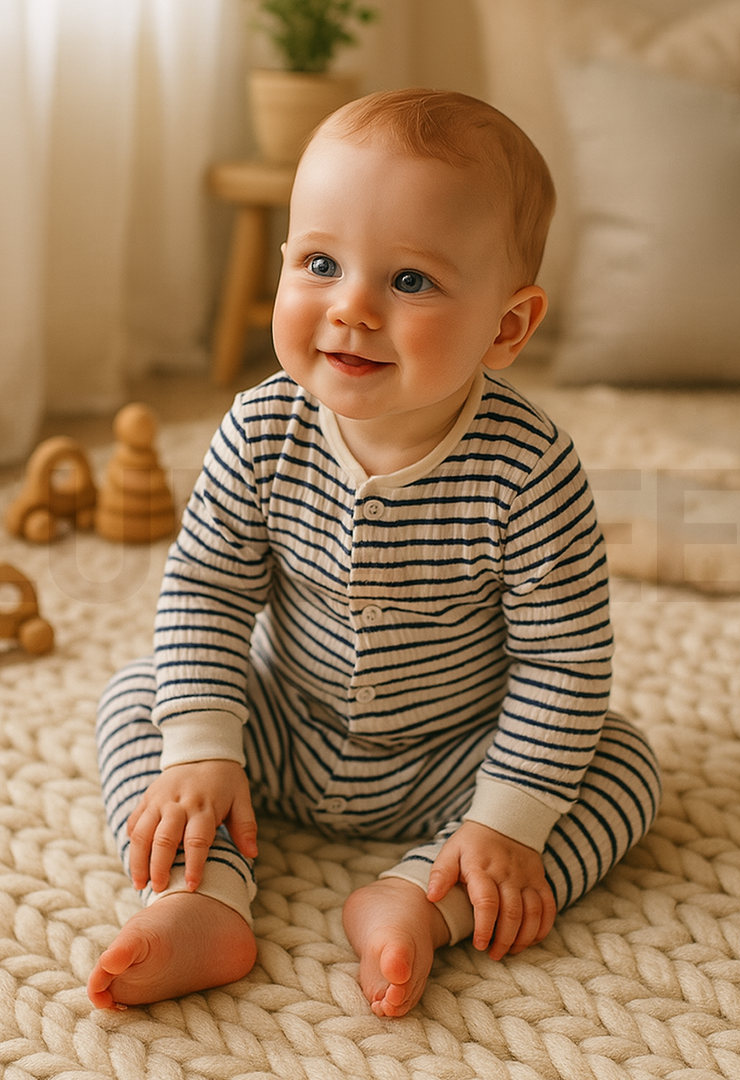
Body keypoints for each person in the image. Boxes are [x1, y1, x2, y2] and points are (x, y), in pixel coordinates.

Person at [86, 88, 661, 1018]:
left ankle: (422, 899)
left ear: (508, 327)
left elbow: (564, 660)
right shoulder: (261, 426)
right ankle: (202, 893)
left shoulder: (528, 469)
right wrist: (203, 750)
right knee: (138, 697)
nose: (350, 308)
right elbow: (207, 590)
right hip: (280, 724)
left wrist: (505, 819)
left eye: (409, 281)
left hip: (458, 754)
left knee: (620, 766)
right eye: (320, 263)